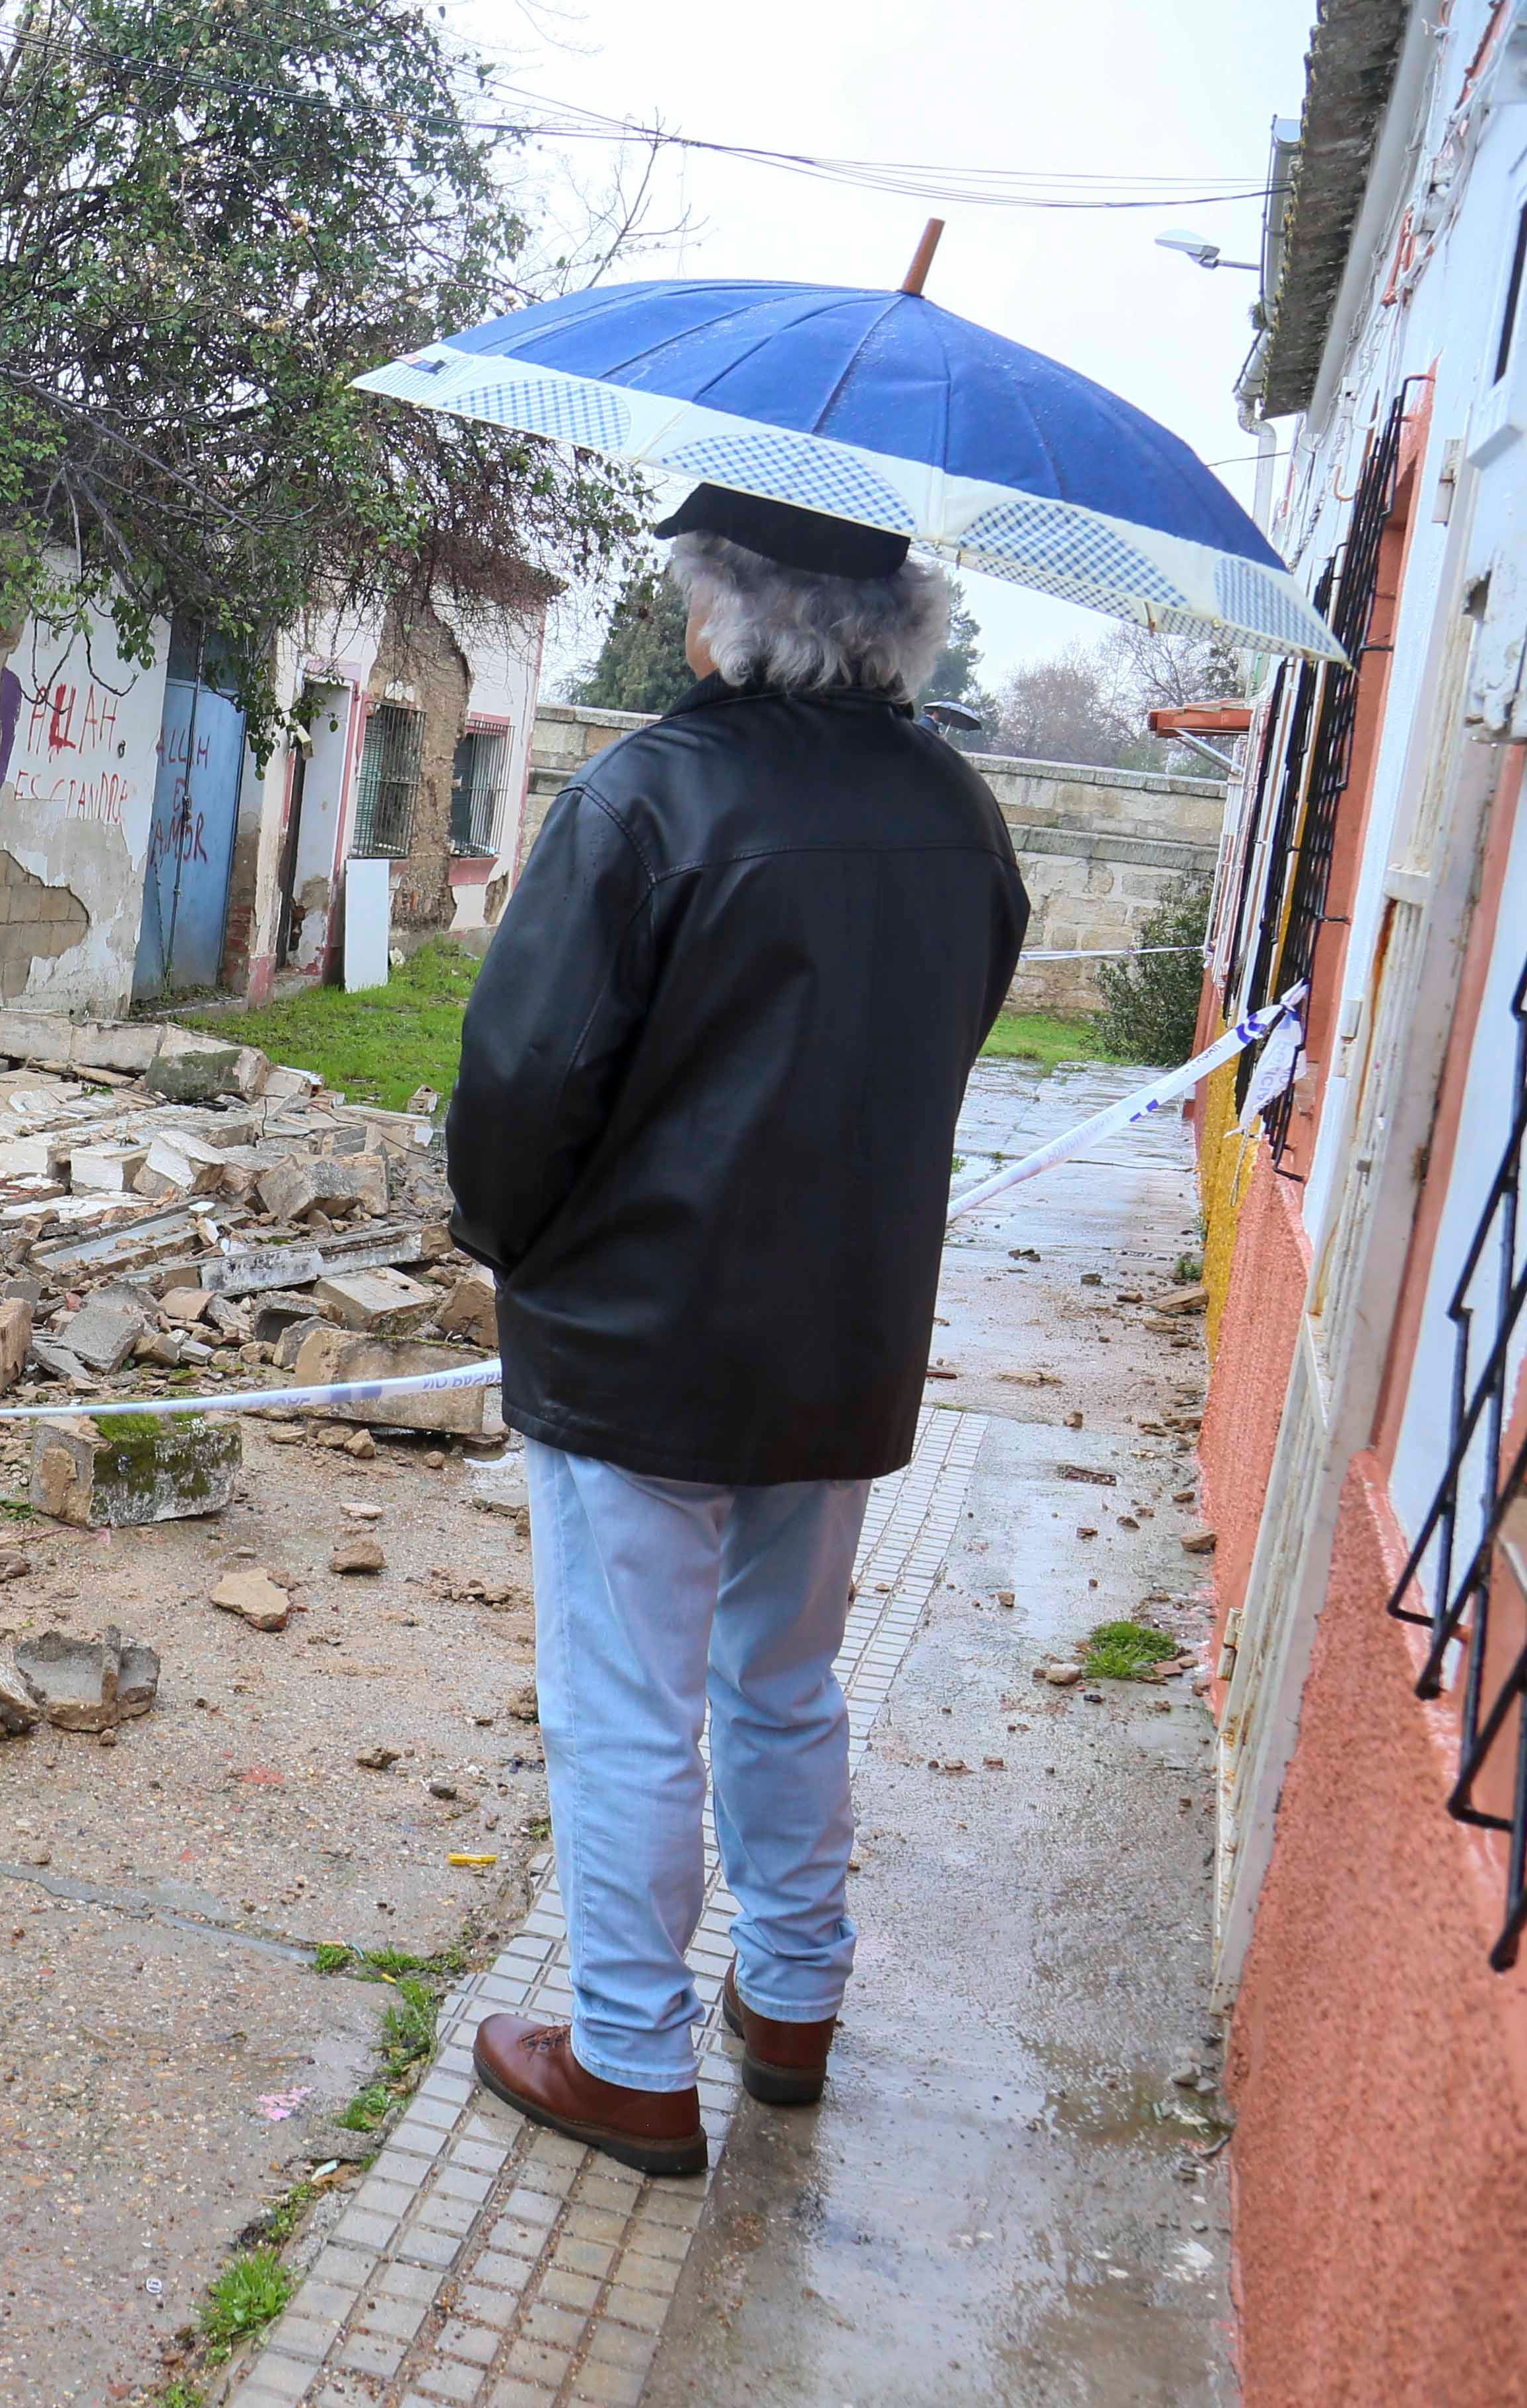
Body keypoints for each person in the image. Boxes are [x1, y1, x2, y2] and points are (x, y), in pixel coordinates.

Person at [444, 484, 1027, 2176]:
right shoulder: (959, 814)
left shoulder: (650, 792)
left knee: (627, 1703)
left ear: (729, 609)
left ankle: (627, 2058)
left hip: (644, 1339)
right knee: (783, 1685)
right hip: (841, 1336)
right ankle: (792, 2004)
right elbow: (953, 1032)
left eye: (695, 590)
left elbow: (522, 1080)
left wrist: (513, 1242)